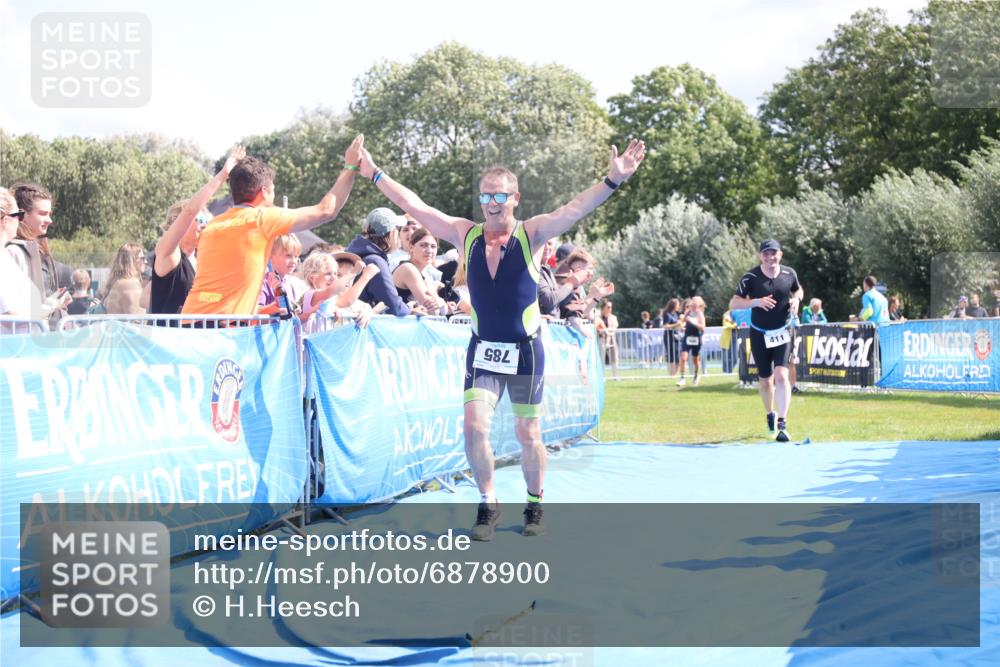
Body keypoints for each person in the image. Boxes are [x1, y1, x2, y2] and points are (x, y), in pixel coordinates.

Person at [359, 137, 645, 540]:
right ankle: (488, 503)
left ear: (515, 198)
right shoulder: (466, 234)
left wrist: (613, 181)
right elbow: (415, 206)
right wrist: (374, 173)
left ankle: (534, 503)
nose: (492, 203)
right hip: (483, 351)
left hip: (526, 351)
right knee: (474, 426)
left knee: (528, 434)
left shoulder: (534, 232)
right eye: (486, 196)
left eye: (500, 196)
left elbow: (575, 208)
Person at [181, 135, 364, 317]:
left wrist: (264, 312)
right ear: (264, 192)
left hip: (193, 324)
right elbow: (326, 210)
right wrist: (350, 167)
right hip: (226, 331)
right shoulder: (262, 218)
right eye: (274, 190)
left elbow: (223, 291)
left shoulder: (214, 224)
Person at [151, 146, 244, 317]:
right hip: (168, 341)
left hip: (194, 340)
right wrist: (223, 174)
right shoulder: (169, 255)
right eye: (200, 220)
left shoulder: (200, 261)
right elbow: (189, 211)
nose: (204, 226)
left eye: (207, 222)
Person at [730, 239, 804, 442]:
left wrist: (796, 299)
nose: (770, 257)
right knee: (765, 381)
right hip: (759, 334)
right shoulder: (751, 277)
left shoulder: (790, 273)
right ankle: (770, 414)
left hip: (782, 332)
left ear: (780, 254)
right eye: (766, 254)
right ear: (760, 256)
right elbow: (734, 302)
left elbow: (798, 289)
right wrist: (756, 302)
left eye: (773, 253)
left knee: (781, 375)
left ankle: (782, 422)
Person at [345, 208, 427, 317]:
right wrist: (409, 311)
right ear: (391, 233)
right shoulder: (376, 261)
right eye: (397, 229)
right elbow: (393, 304)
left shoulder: (360, 255)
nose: (398, 233)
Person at [100, 243, 150, 314]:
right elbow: (138, 320)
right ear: (131, 260)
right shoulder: (129, 285)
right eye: (142, 258)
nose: (146, 261)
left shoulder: (119, 282)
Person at [676, 296, 705, 386]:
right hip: (687, 337)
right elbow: (683, 322)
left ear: (698, 305)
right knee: (683, 357)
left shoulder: (700, 314)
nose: (692, 306)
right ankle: (682, 378)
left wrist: (693, 322)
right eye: (692, 304)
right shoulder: (687, 312)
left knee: (695, 359)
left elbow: (703, 327)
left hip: (696, 338)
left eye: (695, 304)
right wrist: (682, 327)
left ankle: (696, 376)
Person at [595, 300, 620, 380]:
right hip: (600, 339)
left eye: (611, 307)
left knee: (614, 358)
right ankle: (602, 377)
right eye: (608, 307)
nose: (610, 309)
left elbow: (614, 327)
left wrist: (606, 330)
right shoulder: (597, 317)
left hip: (611, 339)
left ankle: (615, 376)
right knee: (601, 359)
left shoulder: (613, 318)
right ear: (603, 308)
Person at [662, 298, 683, 376]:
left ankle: (675, 374)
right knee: (671, 356)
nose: (679, 306)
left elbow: (677, 326)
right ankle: (671, 374)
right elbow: (665, 326)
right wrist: (677, 324)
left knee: (677, 357)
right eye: (677, 305)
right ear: (673, 305)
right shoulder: (667, 314)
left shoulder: (676, 314)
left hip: (677, 337)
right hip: (669, 338)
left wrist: (681, 327)